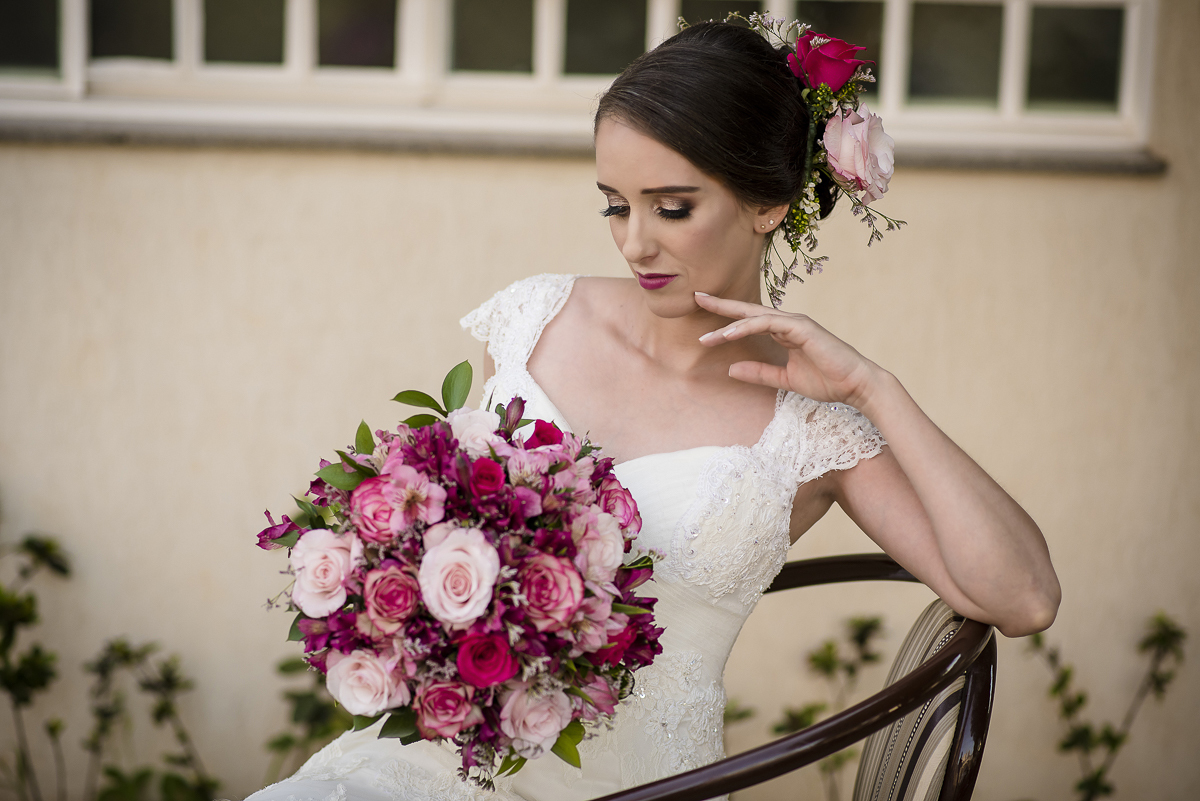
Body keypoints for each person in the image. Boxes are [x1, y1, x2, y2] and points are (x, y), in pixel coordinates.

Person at [247, 20, 1060, 801]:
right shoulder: (534, 322)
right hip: (436, 768)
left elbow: (1023, 597)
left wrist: (874, 387)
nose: (635, 243)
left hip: (646, 787)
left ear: (767, 204)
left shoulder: (814, 425)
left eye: (671, 207)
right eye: (614, 204)